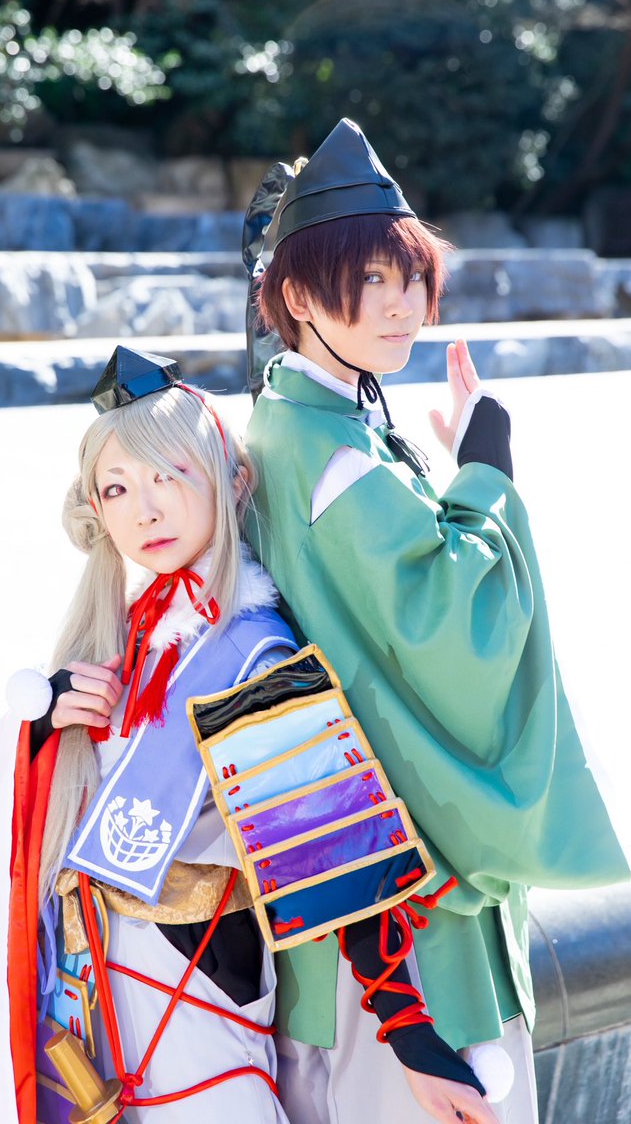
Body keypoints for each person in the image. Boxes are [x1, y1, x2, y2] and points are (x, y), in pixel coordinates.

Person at [0, 345, 498, 1124]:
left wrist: (411, 1035)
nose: (145, 509)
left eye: (169, 474)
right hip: (88, 994)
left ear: (232, 480)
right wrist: (41, 727)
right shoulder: (123, 631)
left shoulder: (252, 651)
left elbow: (328, 852)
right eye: (117, 487)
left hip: (195, 996)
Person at [242, 118, 629, 1124]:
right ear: (296, 297)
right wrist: (487, 468)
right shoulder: (332, 455)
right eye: (368, 279)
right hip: (404, 902)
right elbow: (463, 630)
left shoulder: (311, 420)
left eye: (412, 278)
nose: (401, 305)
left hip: (363, 874)